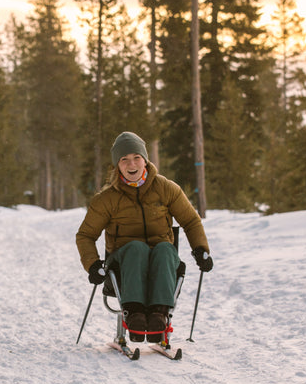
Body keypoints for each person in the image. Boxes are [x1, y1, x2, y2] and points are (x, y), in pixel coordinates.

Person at [76, 131, 213, 343]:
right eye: (124, 159)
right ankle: (135, 314)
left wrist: (201, 250)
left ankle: (159, 315)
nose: (132, 164)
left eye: (136, 157)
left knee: (166, 249)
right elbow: (85, 235)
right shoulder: (106, 199)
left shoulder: (166, 188)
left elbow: (191, 221)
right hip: (123, 264)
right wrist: (93, 265)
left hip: (161, 260)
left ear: (145, 160)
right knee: (136, 248)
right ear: (117, 166)